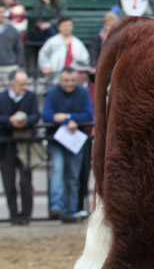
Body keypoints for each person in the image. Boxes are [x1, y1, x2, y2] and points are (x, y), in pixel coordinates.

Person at [42, 67, 93, 221]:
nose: (70, 84)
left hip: (75, 140)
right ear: (60, 80)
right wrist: (66, 120)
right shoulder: (52, 93)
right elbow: (46, 115)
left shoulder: (82, 93)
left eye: (72, 80)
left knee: (74, 175)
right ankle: (57, 207)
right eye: (66, 80)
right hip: (57, 139)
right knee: (58, 171)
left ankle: (73, 210)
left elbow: (89, 114)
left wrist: (67, 117)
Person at [0, 70, 40, 225]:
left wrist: (25, 122)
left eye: (25, 84)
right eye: (21, 84)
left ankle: (26, 216)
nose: (24, 87)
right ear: (12, 84)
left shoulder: (30, 96)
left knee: (25, 182)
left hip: (25, 144)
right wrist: (9, 121)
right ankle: (14, 216)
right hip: (6, 146)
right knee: (9, 183)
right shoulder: (2, 97)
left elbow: (36, 115)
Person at [38, 16, 90, 84]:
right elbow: (43, 55)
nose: (67, 28)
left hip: (74, 78)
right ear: (58, 27)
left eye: (69, 25)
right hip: (55, 77)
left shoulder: (78, 43)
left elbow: (85, 59)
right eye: (64, 26)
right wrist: (46, 67)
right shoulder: (52, 42)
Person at [0, 3, 24, 86]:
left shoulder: (13, 30)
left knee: (8, 95)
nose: (0, 15)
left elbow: (19, 49)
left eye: (2, 12)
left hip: (10, 67)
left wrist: (17, 66)